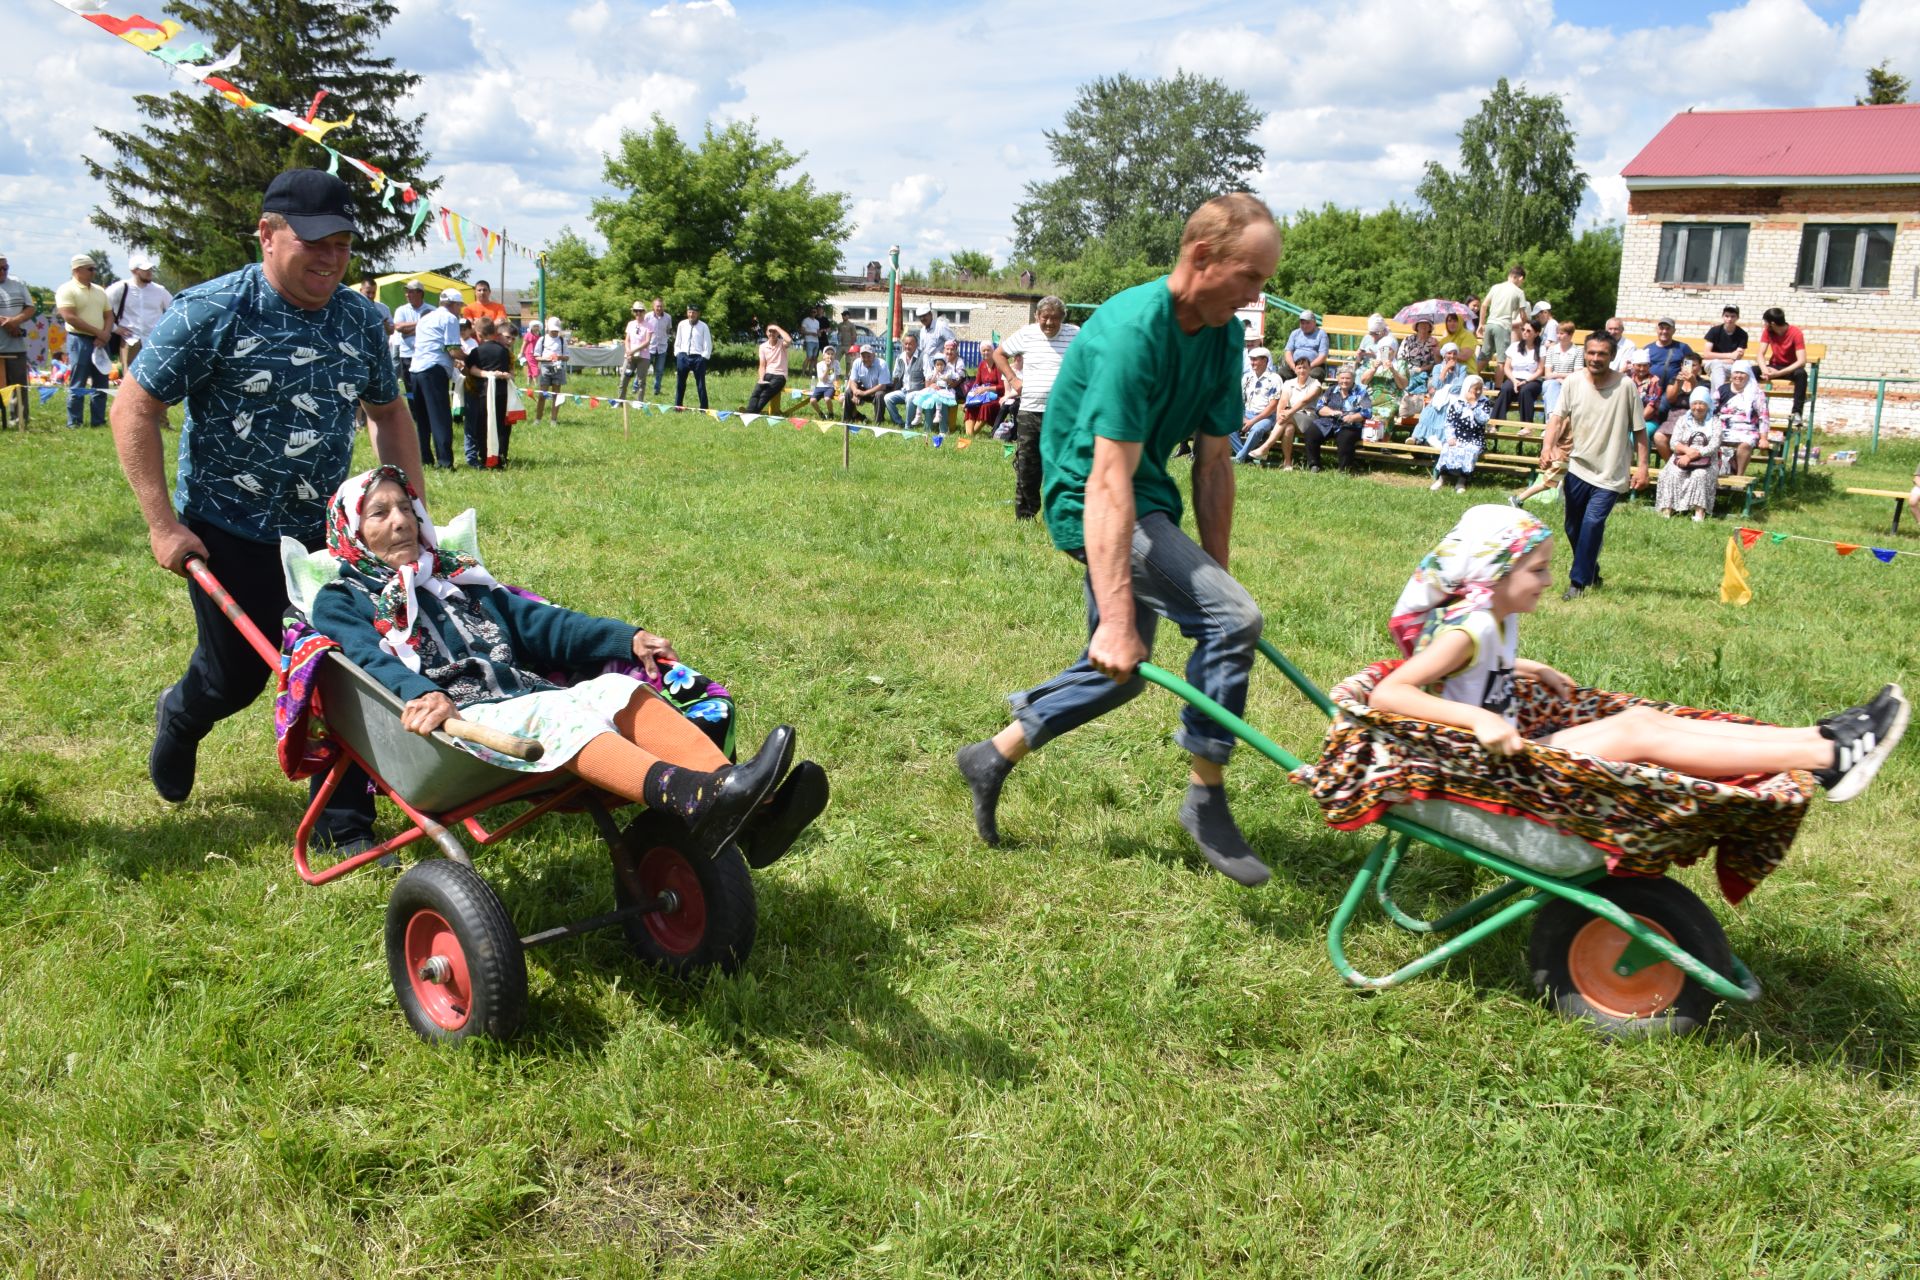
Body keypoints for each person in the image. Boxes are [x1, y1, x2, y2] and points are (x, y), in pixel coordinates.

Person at [953, 192, 1281, 887]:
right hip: (1089, 500)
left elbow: (1217, 462)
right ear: (1201, 257)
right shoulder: (1136, 329)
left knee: (1123, 674)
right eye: (1250, 277)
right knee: (1223, 621)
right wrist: (1185, 611)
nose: (1257, 297)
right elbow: (1105, 480)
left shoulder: (1223, 332)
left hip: (1147, 497)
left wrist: (1212, 578)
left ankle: (991, 756)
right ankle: (1206, 799)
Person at [112, 167, 419, 857]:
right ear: (268, 235)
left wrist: (411, 511)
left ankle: (345, 821)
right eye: (315, 242)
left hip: (324, 534)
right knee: (237, 678)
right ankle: (183, 714)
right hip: (227, 530)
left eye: (343, 243)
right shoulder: (210, 311)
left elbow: (388, 410)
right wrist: (164, 524)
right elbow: (135, 404)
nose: (331, 258)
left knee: (343, 662)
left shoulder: (361, 320)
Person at [311, 467, 827, 866]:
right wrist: (419, 692)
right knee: (558, 714)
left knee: (612, 692)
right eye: (378, 514)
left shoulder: (457, 580)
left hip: (520, 701)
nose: (400, 520)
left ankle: (742, 802)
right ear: (352, 532)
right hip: (455, 729)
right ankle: (694, 800)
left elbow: (546, 625)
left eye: (405, 506)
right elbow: (362, 656)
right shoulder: (342, 598)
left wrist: (627, 638)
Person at [1373, 505, 1907, 804]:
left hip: (1508, 756)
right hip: (1487, 774)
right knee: (1638, 733)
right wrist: (1473, 719)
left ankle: (1823, 739)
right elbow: (1389, 692)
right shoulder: (1465, 631)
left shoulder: (1494, 618)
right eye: (1536, 569)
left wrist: (1529, 667)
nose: (1549, 580)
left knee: (1644, 719)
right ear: (1495, 574)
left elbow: (1472, 673)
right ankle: (1829, 758)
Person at [1548, 331, 1649, 600]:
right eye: (1591, 352)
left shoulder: (1626, 386)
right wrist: (1548, 446)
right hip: (1578, 467)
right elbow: (1557, 418)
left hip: (1610, 472)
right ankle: (1591, 570)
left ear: (1612, 356)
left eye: (1602, 353)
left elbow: (1640, 431)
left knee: (1592, 523)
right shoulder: (1572, 382)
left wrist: (1642, 468)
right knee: (1572, 527)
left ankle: (1577, 583)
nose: (1595, 358)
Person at [995, 296, 1080, 522]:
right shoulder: (1027, 333)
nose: (1049, 323)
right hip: (1030, 410)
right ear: (1037, 317)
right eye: (1045, 318)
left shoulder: (1075, 334)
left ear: (1063, 317)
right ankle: (1025, 516)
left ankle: (1062, 517)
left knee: (1062, 467)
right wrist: (1013, 379)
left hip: (1063, 414)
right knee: (1027, 466)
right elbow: (999, 354)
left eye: (1054, 318)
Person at [56, 253, 114, 429]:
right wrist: (99, 332)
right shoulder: (66, 290)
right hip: (79, 340)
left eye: (94, 268)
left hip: (101, 341)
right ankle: (75, 422)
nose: (93, 272)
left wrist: (104, 334)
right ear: (77, 270)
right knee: (78, 380)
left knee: (101, 381)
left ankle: (98, 421)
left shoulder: (100, 291)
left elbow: (109, 315)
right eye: (90, 269)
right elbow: (70, 317)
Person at [409, 287, 464, 469]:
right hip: (434, 370)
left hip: (416, 369)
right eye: (459, 306)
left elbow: (436, 345)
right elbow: (452, 348)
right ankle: (445, 461)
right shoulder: (450, 318)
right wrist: (470, 358)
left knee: (422, 418)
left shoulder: (425, 318)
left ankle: (424, 458)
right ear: (454, 304)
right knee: (440, 417)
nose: (460, 310)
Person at [1654, 386, 1722, 522]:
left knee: (1699, 475)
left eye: (1702, 403)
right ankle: (1667, 510)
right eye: (1694, 403)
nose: (1697, 407)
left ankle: (1699, 513)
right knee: (1672, 473)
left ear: (1708, 404)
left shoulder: (1715, 422)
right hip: (1681, 455)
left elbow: (1714, 445)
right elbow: (1674, 442)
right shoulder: (1682, 420)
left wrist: (1692, 455)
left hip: (1707, 459)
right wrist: (1686, 451)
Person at [1244, 353, 1321, 468]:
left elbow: (1304, 402)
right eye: (1299, 367)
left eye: (1305, 367)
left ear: (1310, 368)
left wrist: (1288, 413)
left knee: (1286, 418)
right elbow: (1283, 401)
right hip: (1288, 417)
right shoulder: (1288, 383)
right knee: (1288, 429)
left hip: (1308, 417)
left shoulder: (1316, 384)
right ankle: (1287, 463)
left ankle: (1265, 448)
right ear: (1295, 369)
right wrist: (1279, 415)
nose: (1302, 370)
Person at [461, 316, 516, 468]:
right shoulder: (503, 352)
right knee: (501, 425)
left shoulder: (476, 351)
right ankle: (501, 456)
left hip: (482, 393)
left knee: (483, 425)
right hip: (501, 393)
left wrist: (485, 374)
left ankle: (485, 456)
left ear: (478, 333)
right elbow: (507, 370)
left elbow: (471, 370)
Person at [109, 251, 173, 373]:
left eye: (150, 269)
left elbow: (174, 308)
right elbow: (103, 308)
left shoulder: (159, 290)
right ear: (134, 271)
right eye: (145, 270)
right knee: (130, 377)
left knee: (154, 374)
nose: (149, 272)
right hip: (130, 339)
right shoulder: (120, 288)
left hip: (154, 339)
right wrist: (114, 328)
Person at [1303, 363, 1373, 473]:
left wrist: (1352, 417)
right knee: (1311, 432)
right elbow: (1319, 407)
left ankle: (1344, 469)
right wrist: (1332, 412)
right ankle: (1314, 464)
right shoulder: (1331, 390)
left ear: (1353, 379)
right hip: (1328, 422)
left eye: (1348, 378)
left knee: (1345, 438)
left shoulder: (1361, 392)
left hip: (1350, 425)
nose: (1344, 381)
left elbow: (1367, 412)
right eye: (1342, 378)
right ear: (1338, 378)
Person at [1431, 374, 1490, 493]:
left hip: (1475, 438)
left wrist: (1474, 405)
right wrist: (1451, 437)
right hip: (1458, 436)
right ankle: (1441, 479)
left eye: (1480, 388)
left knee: (1470, 450)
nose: (1478, 392)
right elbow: (1449, 422)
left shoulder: (1484, 402)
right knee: (1448, 449)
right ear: (1467, 388)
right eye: (1475, 389)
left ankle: (1461, 481)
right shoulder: (1457, 402)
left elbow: (1483, 419)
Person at [0, 251, 36, 429]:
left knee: (18, 386)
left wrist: (15, 321)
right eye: (0, 268)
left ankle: (19, 421)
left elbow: (30, 307)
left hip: (15, 345)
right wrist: (6, 323)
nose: (3, 271)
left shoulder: (18, 283)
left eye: (6, 268)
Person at [1715, 361, 1769, 476]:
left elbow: (1763, 416)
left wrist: (1763, 438)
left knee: (1745, 445)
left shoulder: (1756, 393)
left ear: (1748, 375)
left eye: (1742, 373)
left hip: (1748, 430)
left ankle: (1739, 478)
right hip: (1723, 429)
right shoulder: (1722, 390)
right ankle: (1715, 477)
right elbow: (1711, 410)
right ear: (1732, 374)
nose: (1738, 376)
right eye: (1736, 372)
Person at [1758, 307, 1809, 425]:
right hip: (1774, 367)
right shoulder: (1767, 332)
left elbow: (1801, 361)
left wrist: (1778, 374)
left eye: (1765, 322)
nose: (1764, 325)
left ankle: (1797, 413)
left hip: (1791, 369)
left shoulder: (1796, 333)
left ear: (1773, 323)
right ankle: (1747, 408)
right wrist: (1764, 370)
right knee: (1749, 371)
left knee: (1801, 374)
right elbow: (1760, 354)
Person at [1410, 343, 1469, 445]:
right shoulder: (1438, 367)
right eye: (1449, 353)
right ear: (1444, 355)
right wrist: (1446, 369)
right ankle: (1417, 438)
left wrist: (1445, 387)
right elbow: (1437, 384)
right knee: (1427, 415)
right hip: (1439, 399)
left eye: (1455, 353)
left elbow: (1458, 387)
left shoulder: (1462, 368)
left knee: (1446, 417)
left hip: (1453, 400)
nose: (1452, 356)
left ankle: (1439, 440)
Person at [1490, 317, 1545, 425]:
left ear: (1537, 333)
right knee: (1505, 389)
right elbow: (1507, 367)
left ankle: (1527, 426)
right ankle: (1495, 423)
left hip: (1532, 380)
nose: (1525, 333)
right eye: (1523, 329)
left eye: (1529, 331)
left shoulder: (1541, 349)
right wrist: (1514, 381)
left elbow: (1540, 370)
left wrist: (1526, 381)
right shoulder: (1514, 346)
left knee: (1525, 391)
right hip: (1514, 378)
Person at [1508, 414, 1568, 509]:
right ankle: (1518, 499)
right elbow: (1556, 434)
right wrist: (1553, 450)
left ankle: (1566, 506)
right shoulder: (1568, 418)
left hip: (1570, 457)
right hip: (1563, 457)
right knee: (1547, 483)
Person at [1654, 356, 1706, 461]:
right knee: (1659, 437)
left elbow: (1702, 401)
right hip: (1675, 415)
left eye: (1694, 365)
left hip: (1695, 416)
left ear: (1700, 366)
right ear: (1682, 366)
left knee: (1689, 439)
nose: (1691, 368)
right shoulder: (1674, 380)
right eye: (1688, 364)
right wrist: (1678, 383)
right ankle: (1671, 464)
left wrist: (1693, 382)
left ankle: (1687, 463)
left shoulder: (1704, 383)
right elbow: (1670, 399)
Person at [1234, 347, 1283, 456]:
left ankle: (1240, 457)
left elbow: (1273, 406)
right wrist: (1242, 417)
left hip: (1266, 417)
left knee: (1256, 429)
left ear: (1265, 360)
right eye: (1251, 359)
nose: (1252, 362)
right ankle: (1246, 456)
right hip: (1246, 414)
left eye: (1255, 359)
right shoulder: (1246, 378)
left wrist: (1252, 421)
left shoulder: (1275, 379)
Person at [1479, 265, 1528, 371]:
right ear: (1520, 278)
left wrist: (1481, 324)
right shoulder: (1519, 292)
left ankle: (1470, 380)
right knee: (1502, 361)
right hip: (1503, 326)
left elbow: (1483, 305)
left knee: (1484, 357)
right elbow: (1523, 315)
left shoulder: (1495, 287)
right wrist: (1525, 324)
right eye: (1522, 282)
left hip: (1490, 324)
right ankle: (1498, 387)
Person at [744, 322, 792, 414]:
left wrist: (777, 327)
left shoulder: (782, 344)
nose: (772, 334)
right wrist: (761, 379)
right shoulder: (763, 347)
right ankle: (749, 411)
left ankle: (753, 413)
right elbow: (762, 366)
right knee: (756, 392)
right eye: (770, 331)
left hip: (780, 376)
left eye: (774, 332)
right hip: (767, 374)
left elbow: (789, 340)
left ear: (778, 333)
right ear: (766, 333)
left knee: (765, 394)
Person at [391, 280, 428, 397]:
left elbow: (431, 332)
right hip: (407, 355)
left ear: (420, 293)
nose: (407, 294)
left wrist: (409, 329)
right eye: (407, 292)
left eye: (411, 292)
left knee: (425, 389)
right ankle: (413, 414)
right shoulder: (401, 310)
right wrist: (422, 324)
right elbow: (399, 328)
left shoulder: (431, 310)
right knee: (410, 389)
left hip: (425, 355)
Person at [1701, 305, 1748, 395]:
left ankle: (1716, 398)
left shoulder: (1742, 334)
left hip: (1729, 367)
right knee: (1716, 364)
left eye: (1732, 316)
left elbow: (1736, 359)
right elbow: (1706, 354)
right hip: (1711, 365)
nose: (1729, 319)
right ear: (1723, 317)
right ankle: (1721, 395)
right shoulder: (1714, 331)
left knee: (1717, 368)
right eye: (1727, 316)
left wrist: (1716, 358)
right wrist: (1730, 355)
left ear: (1737, 318)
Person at [673, 302, 712, 409]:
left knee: (700, 384)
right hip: (683, 356)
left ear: (698, 314)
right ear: (687, 313)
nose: (691, 315)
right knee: (680, 383)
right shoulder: (682, 324)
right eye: (689, 312)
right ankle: (678, 406)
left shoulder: (703, 326)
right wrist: (678, 353)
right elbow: (678, 340)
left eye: (694, 313)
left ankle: (704, 408)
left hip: (698, 357)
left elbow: (707, 343)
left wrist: (703, 357)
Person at [1540, 321, 1582, 418]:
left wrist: (1556, 375)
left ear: (1570, 334)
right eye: (1557, 333)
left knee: (1550, 394)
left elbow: (1577, 374)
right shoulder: (1551, 350)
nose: (1558, 336)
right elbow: (1547, 375)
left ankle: (1550, 421)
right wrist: (1560, 378)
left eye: (1562, 333)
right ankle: (1552, 418)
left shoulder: (1578, 351)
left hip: (1569, 383)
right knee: (1553, 385)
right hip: (1550, 383)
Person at [884, 332, 926, 427]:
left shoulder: (923, 357)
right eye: (905, 344)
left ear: (916, 344)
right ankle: (899, 422)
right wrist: (893, 388)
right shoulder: (900, 357)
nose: (907, 346)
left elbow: (928, 376)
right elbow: (896, 376)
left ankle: (908, 426)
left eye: (910, 344)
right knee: (887, 398)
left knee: (910, 397)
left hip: (917, 391)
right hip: (904, 391)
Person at [962, 342, 1003, 435]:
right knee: (971, 405)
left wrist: (986, 389)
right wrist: (969, 399)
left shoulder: (998, 365)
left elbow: (1002, 387)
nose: (986, 352)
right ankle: (969, 434)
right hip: (982, 395)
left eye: (988, 350)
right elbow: (976, 383)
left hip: (996, 396)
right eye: (983, 350)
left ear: (993, 351)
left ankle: (973, 433)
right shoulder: (982, 365)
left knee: (986, 406)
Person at [534, 315, 569, 423]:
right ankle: (538, 419)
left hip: (558, 368)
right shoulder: (542, 339)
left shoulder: (562, 341)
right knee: (542, 395)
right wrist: (545, 358)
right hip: (545, 368)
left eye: (556, 331)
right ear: (548, 329)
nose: (554, 333)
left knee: (556, 395)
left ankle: (553, 419)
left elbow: (567, 357)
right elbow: (536, 356)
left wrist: (559, 357)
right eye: (552, 330)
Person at [1643, 317, 1695, 387]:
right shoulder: (1648, 348)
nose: (1664, 331)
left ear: (1674, 331)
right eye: (1661, 328)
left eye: (1668, 329)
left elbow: (1691, 368)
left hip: (1673, 390)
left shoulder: (1683, 348)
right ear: (1657, 330)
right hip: (1651, 389)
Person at [843, 344, 888, 423]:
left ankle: (879, 422)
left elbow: (882, 386)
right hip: (865, 389)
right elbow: (852, 380)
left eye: (869, 356)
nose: (866, 359)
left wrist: (864, 393)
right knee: (848, 392)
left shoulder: (882, 364)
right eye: (863, 356)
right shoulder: (857, 362)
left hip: (878, 390)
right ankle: (847, 420)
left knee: (879, 395)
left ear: (874, 355)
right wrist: (855, 392)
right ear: (860, 356)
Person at [619, 300, 653, 402]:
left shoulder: (649, 325)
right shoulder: (630, 324)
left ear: (644, 312)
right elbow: (627, 340)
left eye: (640, 311)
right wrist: (629, 351)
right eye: (636, 311)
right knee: (623, 380)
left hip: (643, 357)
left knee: (641, 381)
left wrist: (634, 350)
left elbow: (647, 342)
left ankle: (639, 403)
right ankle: (620, 402)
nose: (638, 313)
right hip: (630, 356)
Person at [1284, 310, 1330, 375]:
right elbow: (1288, 353)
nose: (1305, 326)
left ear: (1314, 322)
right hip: (1295, 365)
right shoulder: (1295, 333)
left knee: (1316, 374)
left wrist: (1308, 367)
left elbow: (1323, 356)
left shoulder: (1321, 334)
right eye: (1302, 323)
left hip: (1314, 366)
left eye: (1308, 323)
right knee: (1282, 373)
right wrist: (1294, 367)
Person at [804, 344, 839, 416]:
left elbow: (837, 377)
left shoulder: (836, 363)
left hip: (830, 386)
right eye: (828, 354)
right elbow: (823, 379)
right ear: (823, 356)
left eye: (832, 354)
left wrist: (838, 388)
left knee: (827, 399)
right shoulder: (819, 364)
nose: (830, 356)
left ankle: (831, 414)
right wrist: (827, 367)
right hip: (820, 386)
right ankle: (821, 414)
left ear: (834, 356)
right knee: (812, 400)